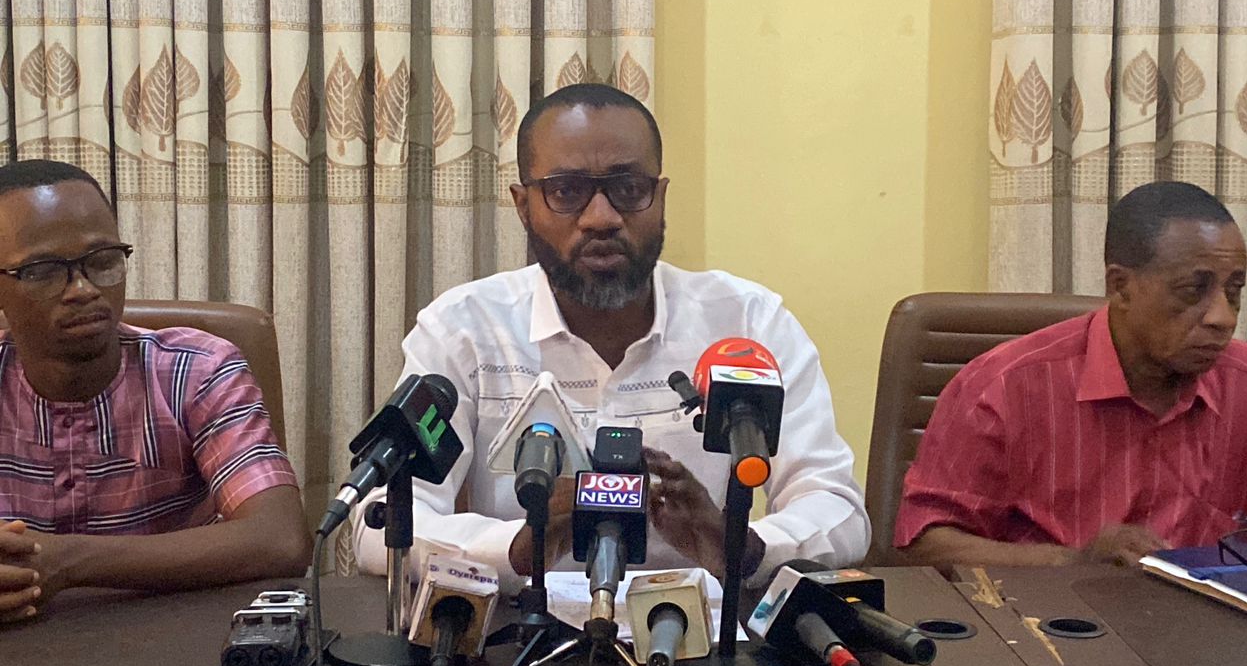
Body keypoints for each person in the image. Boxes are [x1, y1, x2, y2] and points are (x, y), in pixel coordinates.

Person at [353, 83, 870, 592]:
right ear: (523, 205)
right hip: (522, 627)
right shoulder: (464, 329)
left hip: (704, 628)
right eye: (566, 191)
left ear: (660, 197)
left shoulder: (749, 324)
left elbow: (838, 511)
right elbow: (377, 523)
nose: (601, 217)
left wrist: (741, 546)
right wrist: (517, 548)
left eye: (628, 188)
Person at [895, 181, 1247, 571]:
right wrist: (1071, 561)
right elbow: (924, 544)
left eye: (1234, 292)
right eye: (1192, 291)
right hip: (1050, 606)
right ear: (1120, 287)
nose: (1223, 317)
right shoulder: (1002, 388)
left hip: (1214, 609)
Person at [0, 160, 309, 624]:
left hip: (174, 637)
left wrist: (66, 561)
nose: (82, 289)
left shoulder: (196, 369)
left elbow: (279, 538)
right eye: (42, 271)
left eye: (102, 260)